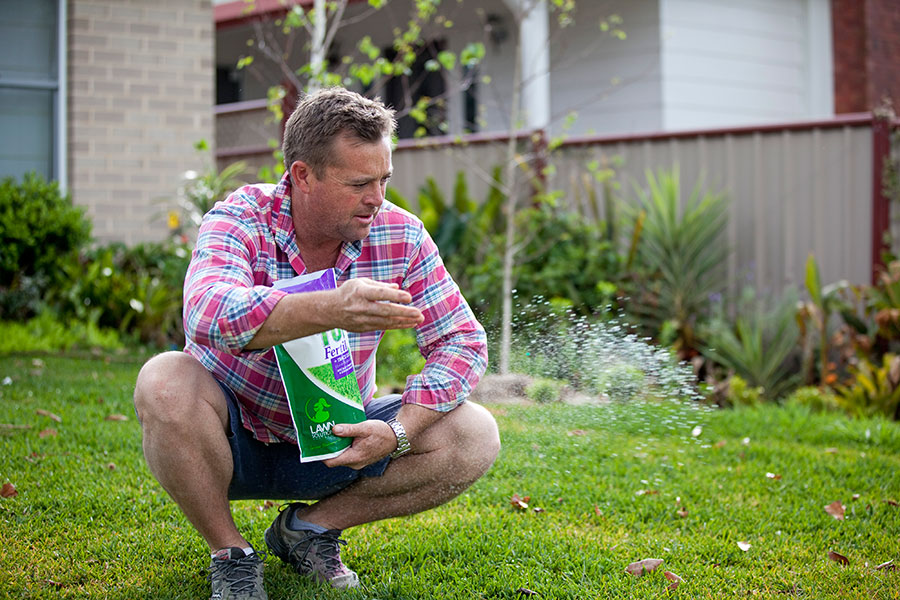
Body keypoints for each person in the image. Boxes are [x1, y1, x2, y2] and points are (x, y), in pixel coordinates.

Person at [133, 87, 500, 600]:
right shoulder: (242, 217)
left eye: (383, 179)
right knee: (164, 380)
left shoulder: (402, 236)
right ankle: (231, 554)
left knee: (476, 434)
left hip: (340, 443)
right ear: (303, 175)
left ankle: (307, 530)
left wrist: (398, 431)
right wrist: (331, 307)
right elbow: (206, 312)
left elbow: (462, 341)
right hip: (231, 440)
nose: (377, 198)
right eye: (359, 184)